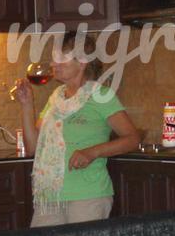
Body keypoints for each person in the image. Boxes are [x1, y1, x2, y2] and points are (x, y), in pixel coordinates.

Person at [13, 31, 140, 226]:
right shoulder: (56, 98)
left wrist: (92, 152)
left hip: (87, 196)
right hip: (50, 196)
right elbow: (32, 147)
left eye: (61, 58)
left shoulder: (101, 96)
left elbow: (132, 139)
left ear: (82, 62)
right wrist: (26, 104)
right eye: (53, 58)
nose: (53, 64)